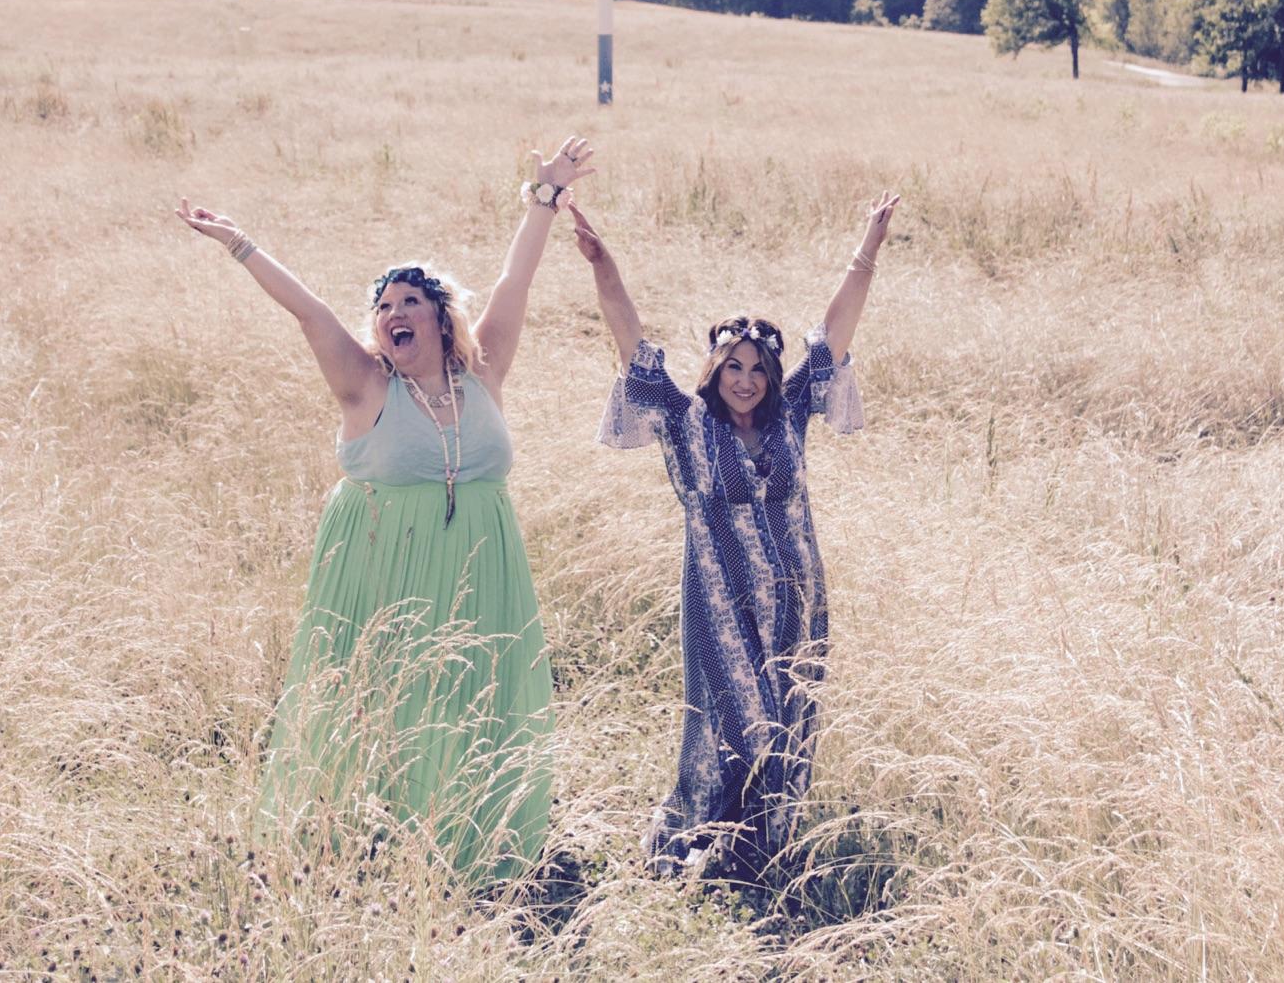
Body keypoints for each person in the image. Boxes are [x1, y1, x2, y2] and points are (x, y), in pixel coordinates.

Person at [173, 136, 596, 881]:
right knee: (386, 698)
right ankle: (362, 838)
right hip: (382, 567)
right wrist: (239, 243)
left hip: (481, 566)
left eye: (409, 303)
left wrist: (545, 197)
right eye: (383, 307)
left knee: (471, 693)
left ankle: (470, 831)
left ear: (440, 317)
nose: (392, 314)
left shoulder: (483, 372)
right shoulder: (367, 386)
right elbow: (309, 313)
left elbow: (514, 280)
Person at [569, 191, 900, 882]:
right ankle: (692, 840)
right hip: (718, 600)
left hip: (797, 597)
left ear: (771, 375)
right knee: (736, 723)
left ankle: (759, 852)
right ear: (714, 369)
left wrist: (869, 247)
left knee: (791, 720)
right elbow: (630, 340)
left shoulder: (790, 415)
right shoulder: (686, 419)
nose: (744, 381)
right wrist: (603, 265)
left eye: (756, 369)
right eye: (732, 367)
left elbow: (835, 329)